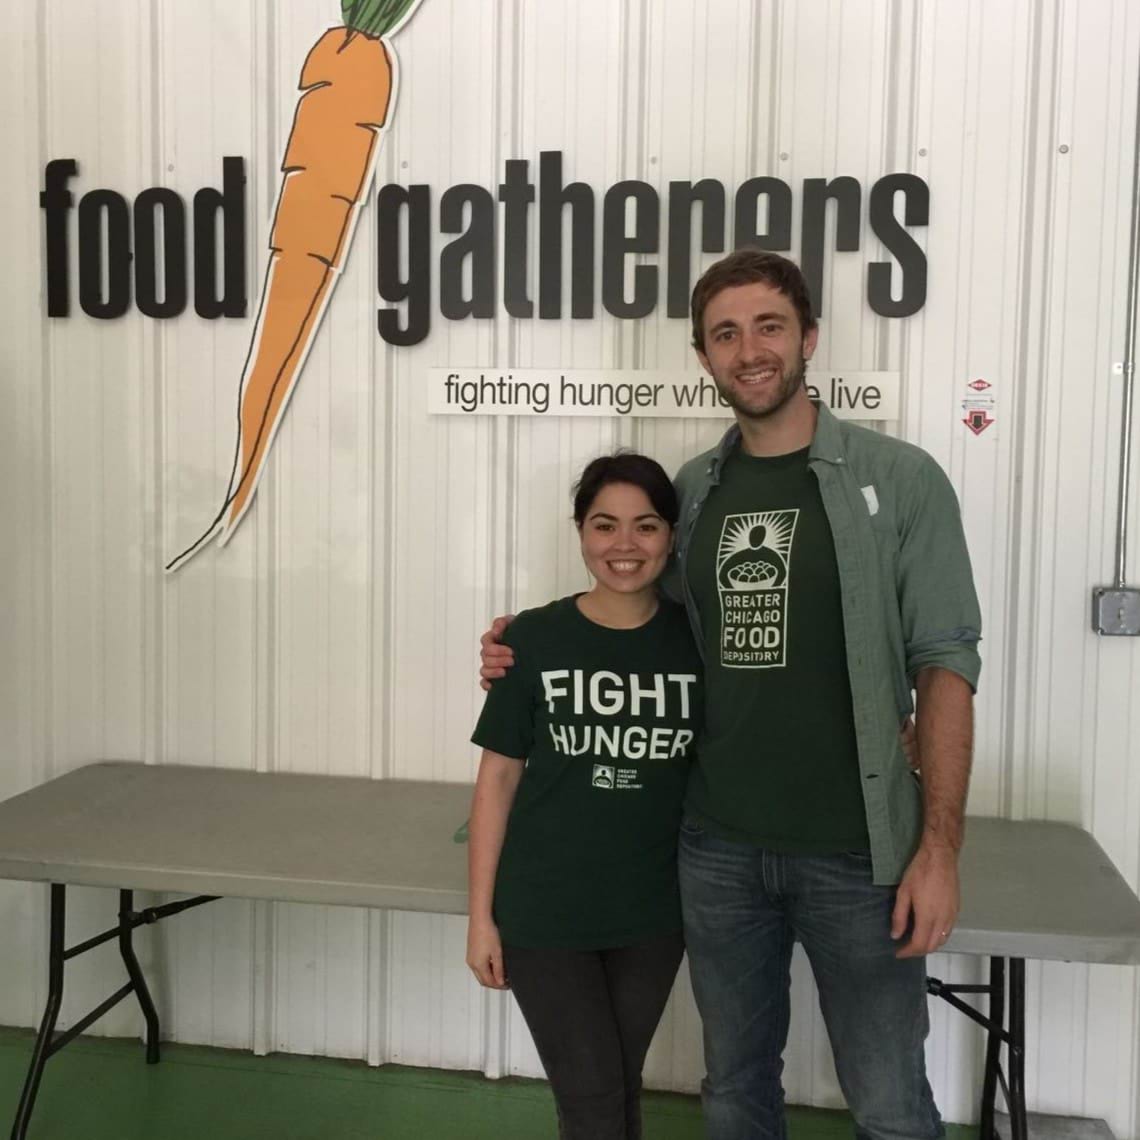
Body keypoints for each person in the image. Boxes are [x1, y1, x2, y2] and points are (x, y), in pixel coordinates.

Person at [481, 249, 981, 1140]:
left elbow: (945, 662)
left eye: (769, 327)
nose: (749, 350)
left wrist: (938, 849)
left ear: (809, 338)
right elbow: (639, 614)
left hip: (859, 855)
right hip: (718, 852)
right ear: (704, 356)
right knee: (735, 1088)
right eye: (725, 334)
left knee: (889, 1101)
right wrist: (525, 640)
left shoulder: (903, 480)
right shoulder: (696, 492)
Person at [466, 452, 703, 1140]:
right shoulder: (533, 640)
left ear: (671, 536)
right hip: (545, 913)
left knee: (612, 1090)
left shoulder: (698, 641)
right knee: (596, 1100)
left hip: (653, 914)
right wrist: (481, 917)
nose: (625, 544)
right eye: (605, 525)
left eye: (645, 526)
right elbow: (498, 779)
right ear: (580, 532)